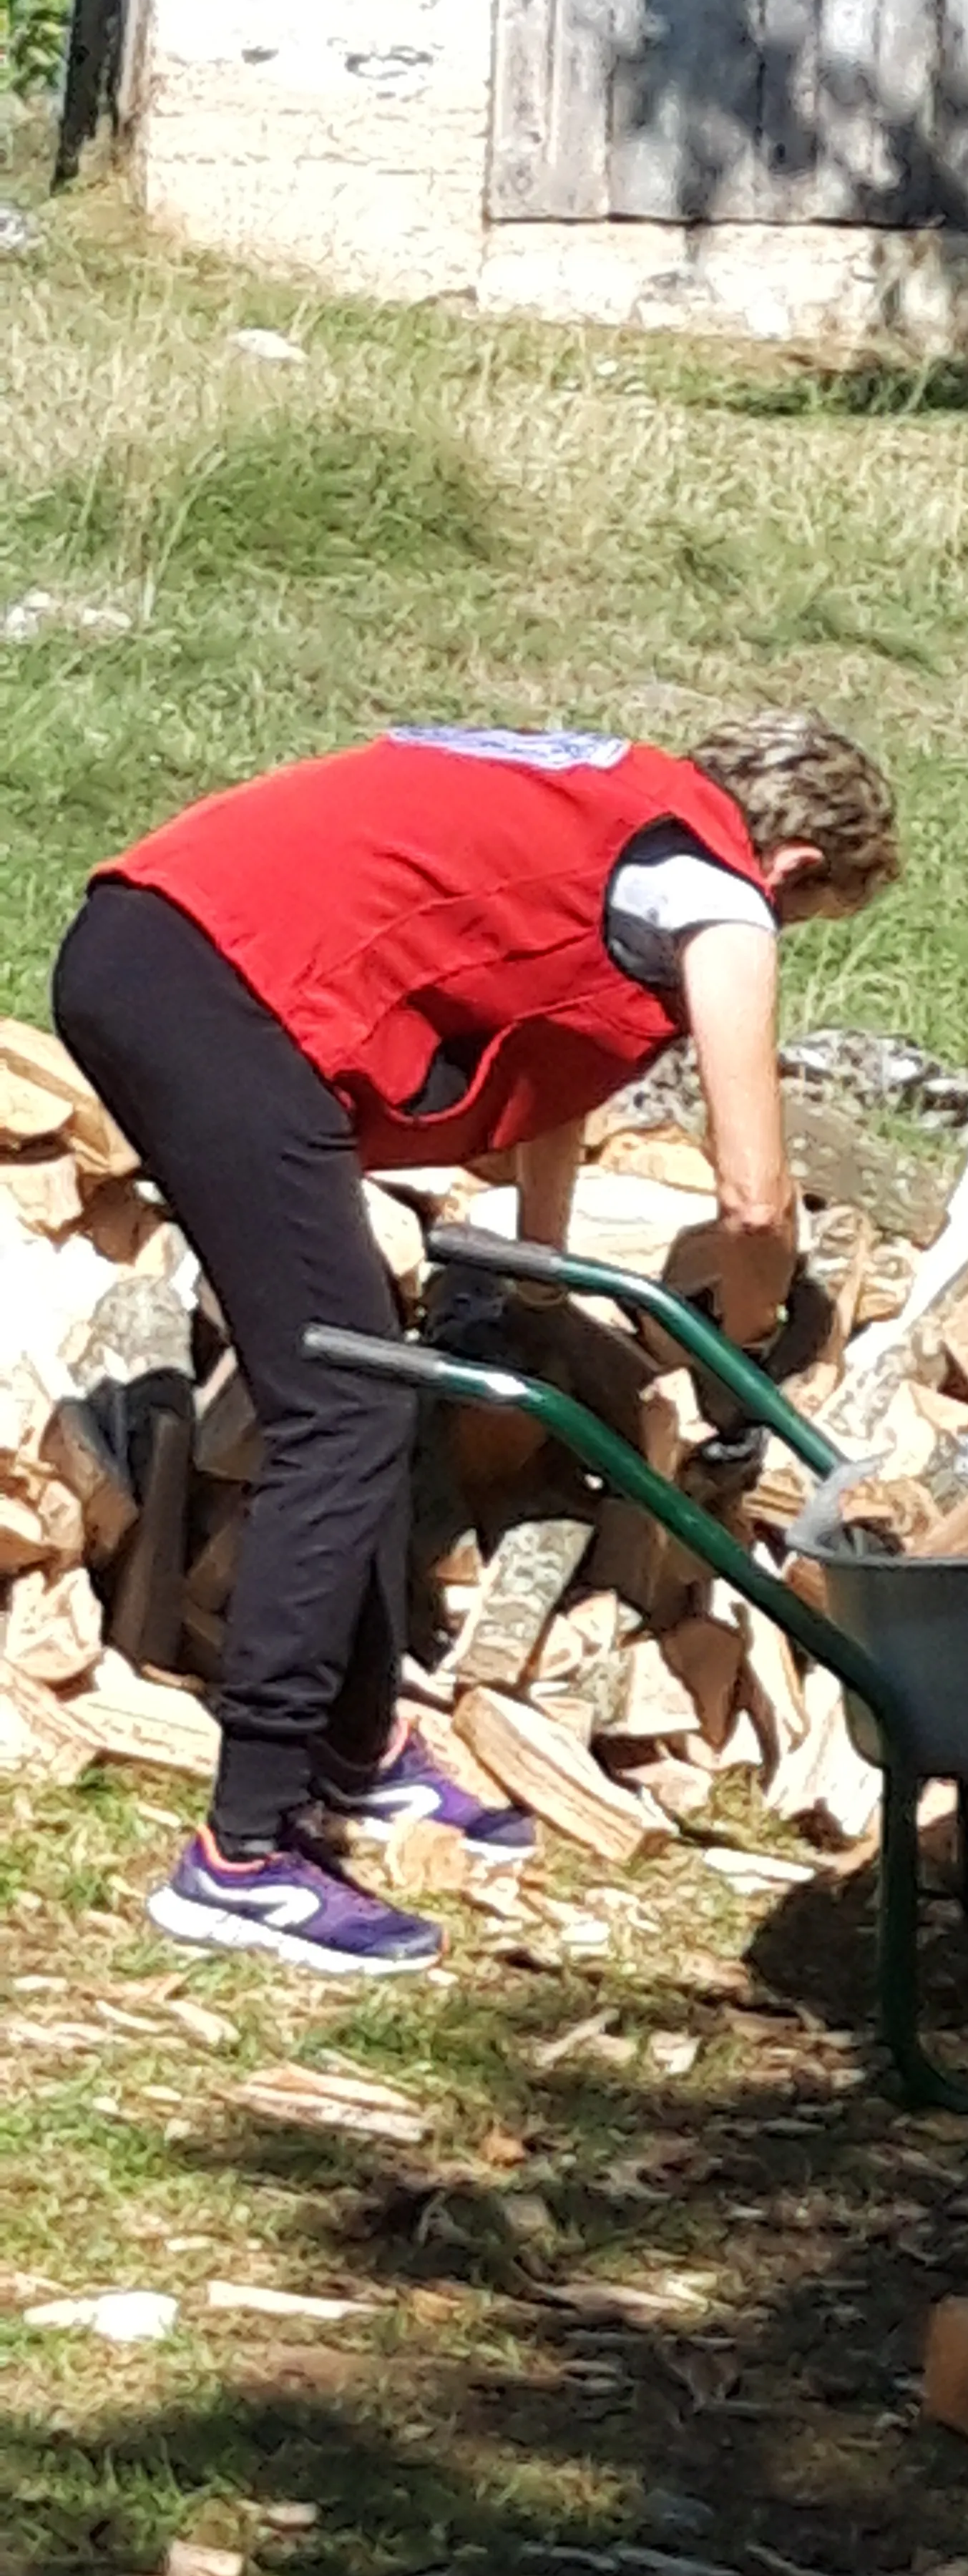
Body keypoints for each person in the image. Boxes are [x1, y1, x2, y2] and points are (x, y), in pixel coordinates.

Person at [52, 712, 899, 1979]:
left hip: (156, 944)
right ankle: (244, 1856)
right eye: (805, 917)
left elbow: (553, 1067)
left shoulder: (618, 820)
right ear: (795, 867)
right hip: (219, 996)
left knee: (366, 1379)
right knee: (342, 1407)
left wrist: (539, 1281)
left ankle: (354, 1750)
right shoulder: (723, 896)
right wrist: (744, 1341)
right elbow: (752, 1200)